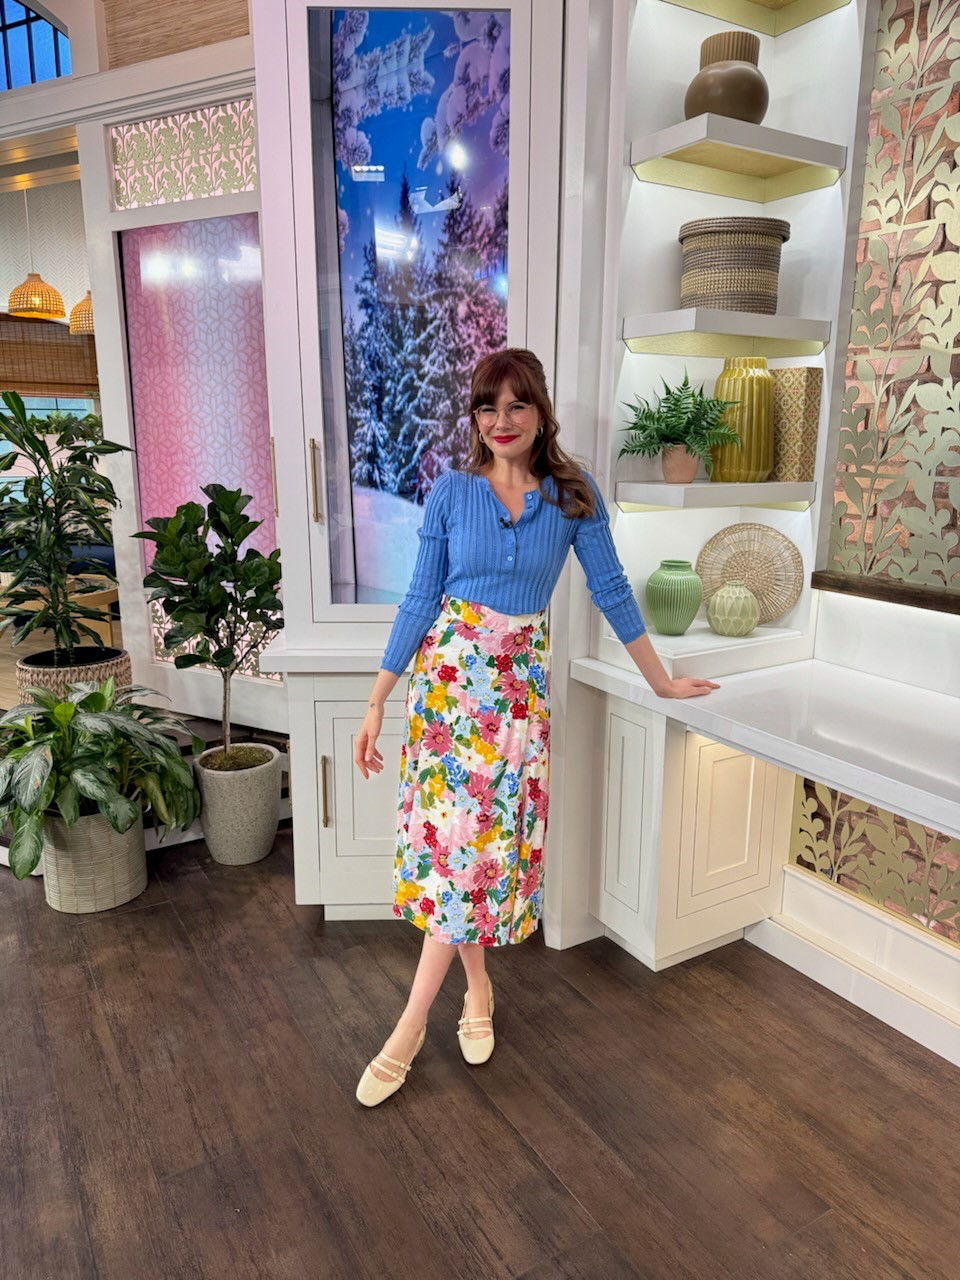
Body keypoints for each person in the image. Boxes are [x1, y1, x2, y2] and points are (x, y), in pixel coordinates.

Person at [353, 347, 719, 1106]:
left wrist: (660, 680)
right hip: (448, 695)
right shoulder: (452, 493)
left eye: (517, 404)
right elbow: (420, 599)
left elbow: (611, 588)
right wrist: (377, 698)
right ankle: (417, 1022)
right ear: (475, 418)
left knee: (477, 857)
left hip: (518, 701)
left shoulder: (572, 495)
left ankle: (473, 994)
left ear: (540, 411)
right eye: (487, 406)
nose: (502, 420)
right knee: (458, 855)